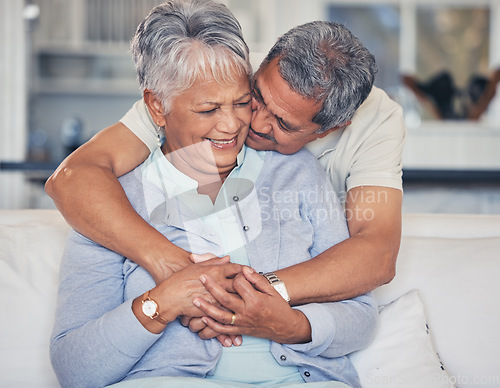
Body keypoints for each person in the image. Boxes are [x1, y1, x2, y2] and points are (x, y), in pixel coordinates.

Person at [50, 1, 377, 387]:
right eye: (208, 109)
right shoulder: (108, 200)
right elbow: (74, 368)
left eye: (241, 101)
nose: (235, 124)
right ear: (157, 106)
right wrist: (163, 302)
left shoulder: (297, 173)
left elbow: (361, 313)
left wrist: (292, 324)